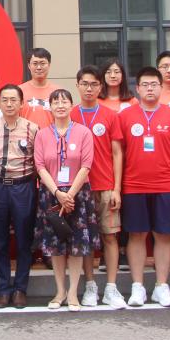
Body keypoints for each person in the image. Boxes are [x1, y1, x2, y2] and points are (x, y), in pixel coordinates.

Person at [118, 66, 170, 308]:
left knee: (163, 234)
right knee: (136, 234)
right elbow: (118, 152)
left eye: (154, 85)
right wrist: (118, 186)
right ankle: (137, 287)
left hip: (165, 184)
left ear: (161, 87)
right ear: (137, 89)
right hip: (133, 185)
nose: (149, 89)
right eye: (145, 85)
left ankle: (161, 286)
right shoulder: (125, 116)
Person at [35, 88, 99, 311]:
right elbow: (40, 166)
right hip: (52, 193)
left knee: (76, 244)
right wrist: (58, 193)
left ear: (72, 105)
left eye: (64, 101)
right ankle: (60, 291)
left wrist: (70, 194)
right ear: (50, 107)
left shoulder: (83, 132)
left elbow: (86, 165)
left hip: (78, 193)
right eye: (56, 102)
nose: (60, 106)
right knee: (56, 244)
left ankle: (73, 292)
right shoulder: (42, 134)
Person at [76, 65, 127, 309]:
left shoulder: (110, 115)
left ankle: (111, 288)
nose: (89, 88)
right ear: (78, 86)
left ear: (100, 87)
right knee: (86, 239)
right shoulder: (70, 114)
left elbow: (117, 153)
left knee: (109, 237)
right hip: (80, 188)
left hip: (106, 185)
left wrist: (116, 188)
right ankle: (90, 286)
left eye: (94, 84)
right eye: (85, 84)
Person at [0, 84, 37, 309]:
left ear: (21, 103)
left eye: (13, 100)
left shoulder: (32, 129)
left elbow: (38, 161)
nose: (9, 104)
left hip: (23, 187)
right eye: (5, 100)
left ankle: (20, 289)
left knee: (24, 239)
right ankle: (3, 289)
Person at [19, 48, 61, 129]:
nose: (39, 67)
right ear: (29, 66)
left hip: (52, 136)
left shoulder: (58, 92)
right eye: (35, 63)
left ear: (49, 65)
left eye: (42, 63)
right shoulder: (19, 91)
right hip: (26, 135)